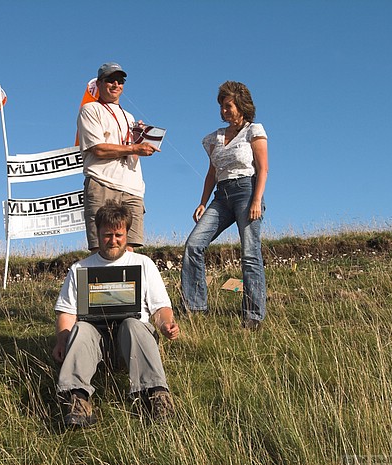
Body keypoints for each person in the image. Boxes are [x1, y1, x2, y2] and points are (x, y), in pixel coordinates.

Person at [52, 200, 180, 428]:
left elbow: (160, 308)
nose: (113, 240)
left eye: (118, 235)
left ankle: (158, 395)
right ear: (97, 233)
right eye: (107, 235)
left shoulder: (144, 264)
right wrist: (62, 340)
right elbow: (67, 312)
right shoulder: (80, 269)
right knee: (81, 328)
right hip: (95, 345)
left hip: (132, 342)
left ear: (127, 233)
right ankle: (78, 401)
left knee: (132, 324)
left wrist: (167, 325)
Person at [181, 81, 269, 330]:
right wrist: (202, 202)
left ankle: (253, 315)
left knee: (250, 253)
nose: (224, 111)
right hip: (221, 196)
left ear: (241, 106)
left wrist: (256, 200)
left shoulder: (254, 130)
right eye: (221, 106)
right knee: (194, 245)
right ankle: (196, 307)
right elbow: (212, 172)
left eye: (228, 106)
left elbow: (263, 168)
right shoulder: (215, 137)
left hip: (246, 191)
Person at [77, 62, 160, 253]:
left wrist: (141, 140)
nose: (116, 84)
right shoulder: (90, 109)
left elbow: (131, 152)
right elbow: (97, 149)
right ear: (99, 83)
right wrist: (134, 148)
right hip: (102, 183)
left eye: (120, 80)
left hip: (133, 188)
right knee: (102, 249)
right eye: (110, 80)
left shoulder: (129, 117)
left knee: (129, 250)